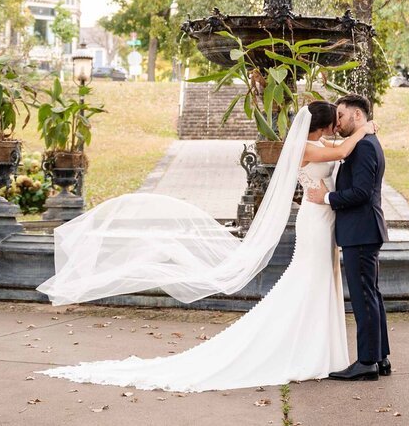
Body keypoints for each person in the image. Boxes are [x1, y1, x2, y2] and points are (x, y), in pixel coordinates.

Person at [37, 101, 376, 392]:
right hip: (315, 221)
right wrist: (364, 129)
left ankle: (319, 348)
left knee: (320, 280)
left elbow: (338, 152)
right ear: (321, 126)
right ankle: (307, 349)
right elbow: (342, 152)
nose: (338, 126)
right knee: (310, 279)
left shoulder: (318, 142)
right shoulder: (306, 148)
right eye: (334, 121)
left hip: (324, 219)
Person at [305, 93, 390, 381]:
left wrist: (327, 197)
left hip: (360, 230)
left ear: (357, 115)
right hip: (362, 229)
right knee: (371, 295)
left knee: (365, 297)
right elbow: (339, 151)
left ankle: (367, 362)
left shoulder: (364, 146)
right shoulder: (363, 142)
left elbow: (362, 193)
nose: (337, 121)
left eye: (340, 115)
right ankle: (380, 358)